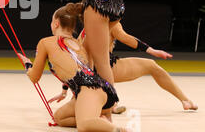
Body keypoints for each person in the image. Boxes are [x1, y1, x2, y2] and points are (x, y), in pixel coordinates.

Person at [18, 2, 132, 132]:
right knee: (59, 118)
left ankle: (116, 129)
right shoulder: (79, 44)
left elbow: (34, 77)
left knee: (83, 126)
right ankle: (97, 119)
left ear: (56, 24)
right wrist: (65, 91)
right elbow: (76, 69)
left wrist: (28, 65)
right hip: (99, 90)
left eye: (51, 22)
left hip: (90, 89)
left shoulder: (45, 42)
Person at [49, 22, 198, 113]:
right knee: (152, 66)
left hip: (86, 70)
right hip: (106, 66)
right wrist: (152, 51)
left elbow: (77, 61)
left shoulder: (88, 25)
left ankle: (105, 103)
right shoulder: (109, 22)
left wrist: (65, 89)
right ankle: (185, 100)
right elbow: (126, 38)